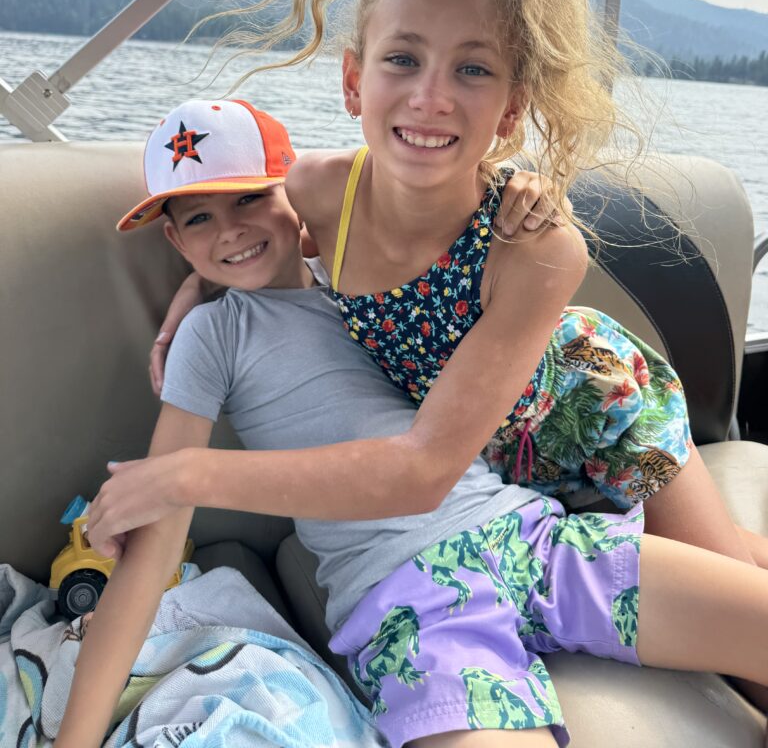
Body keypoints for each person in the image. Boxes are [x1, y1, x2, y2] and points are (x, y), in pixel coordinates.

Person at [66, 98, 768, 748]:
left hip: (531, 535)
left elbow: (438, 188)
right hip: (409, 602)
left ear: (297, 197)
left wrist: (521, 188)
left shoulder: (366, 268)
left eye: (250, 197)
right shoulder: (212, 334)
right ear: (175, 239)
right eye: (199, 219)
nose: (231, 229)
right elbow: (158, 535)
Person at [153, 0, 768, 570]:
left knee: (727, 572)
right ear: (353, 81)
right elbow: (250, 237)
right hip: (482, 463)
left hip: (594, 405)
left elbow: (427, 463)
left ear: (510, 109)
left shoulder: (527, 239)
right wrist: (195, 291)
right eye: (403, 60)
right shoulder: (320, 191)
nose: (431, 98)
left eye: (472, 69)